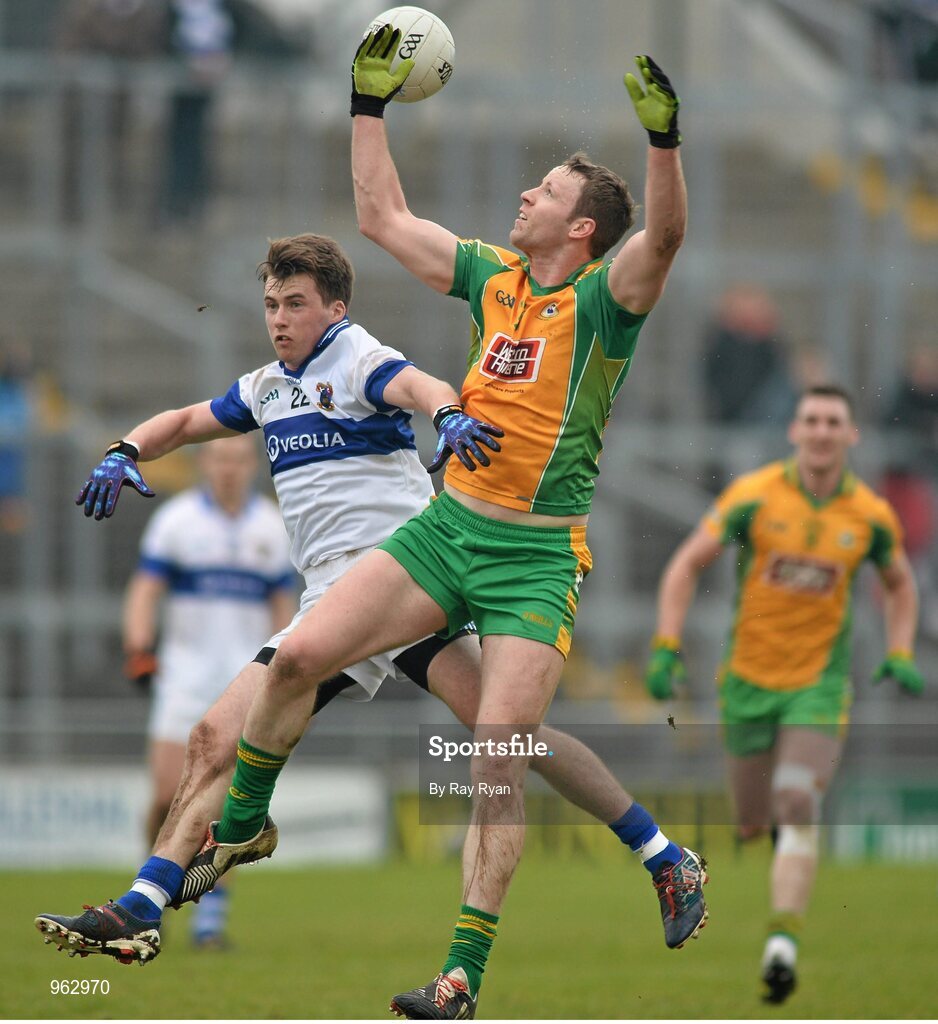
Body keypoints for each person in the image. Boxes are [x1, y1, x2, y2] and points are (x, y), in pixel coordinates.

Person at [142, 31, 696, 1020]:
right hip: (444, 530)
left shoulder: (606, 301)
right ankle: (240, 826)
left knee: (497, 753)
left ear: (580, 230)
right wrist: (367, 99)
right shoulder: (492, 277)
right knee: (296, 654)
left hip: (532, 555)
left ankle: (458, 979)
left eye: (544, 191)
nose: (524, 196)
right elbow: (379, 213)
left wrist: (662, 142)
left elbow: (661, 240)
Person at [36, 232, 704, 993]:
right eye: (269, 305)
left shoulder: (353, 358)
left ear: (336, 308)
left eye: (295, 304)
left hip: (400, 588)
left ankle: (161, 890)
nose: (279, 319)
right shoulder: (266, 387)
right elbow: (188, 420)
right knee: (506, 743)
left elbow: (416, 385)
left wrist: (449, 414)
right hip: (349, 603)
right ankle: (659, 852)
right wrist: (126, 448)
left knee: (237, 733)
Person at [644, 384, 924, 1005]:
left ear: (851, 436)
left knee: (796, 799)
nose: (821, 430)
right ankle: (779, 839)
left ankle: (781, 946)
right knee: (750, 822)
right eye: (811, 420)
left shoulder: (870, 515)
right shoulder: (755, 496)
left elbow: (900, 584)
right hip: (745, 683)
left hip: (818, 687)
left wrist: (900, 649)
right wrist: (666, 643)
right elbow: (687, 563)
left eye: (834, 421)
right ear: (795, 431)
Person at [124, 433, 295, 947]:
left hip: (243, 681)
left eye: (239, 459)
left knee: (222, 809)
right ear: (205, 462)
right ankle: (155, 879)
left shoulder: (271, 525)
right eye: (220, 457)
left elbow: (284, 608)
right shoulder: (177, 521)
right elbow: (145, 589)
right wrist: (138, 646)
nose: (229, 468)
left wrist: (286, 670)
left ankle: (209, 919)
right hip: (182, 677)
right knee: (164, 795)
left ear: (251, 466)